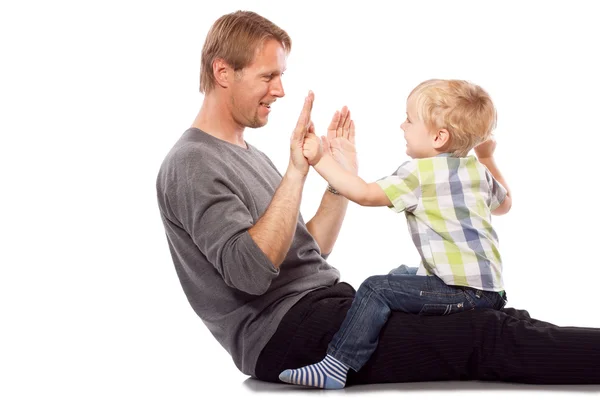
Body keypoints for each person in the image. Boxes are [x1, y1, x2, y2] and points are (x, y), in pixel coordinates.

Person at [156, 10, 600, 387]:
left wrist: (337, 180)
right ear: (222, 72)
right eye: (268, 76)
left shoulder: (246, 153)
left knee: (494, 323)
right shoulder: (193, 162)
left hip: (327, 308)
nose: (280, 90)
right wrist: (297, 172)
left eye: (281, 76)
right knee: (485, 336)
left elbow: (309, 249)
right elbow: (251, 274)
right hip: (284, 336)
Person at [279, 79, 511, 389]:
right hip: (491, 291)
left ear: (439, 137)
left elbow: (363, 194)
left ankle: (336, 365)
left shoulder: (419, 173)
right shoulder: (476, 171)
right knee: (401, 275)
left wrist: (321, 159)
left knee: (376, 288)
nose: (403, 126)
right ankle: (387, 334)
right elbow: (505, 204)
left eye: (410, 119)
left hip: (462, 292)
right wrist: (486, 156)